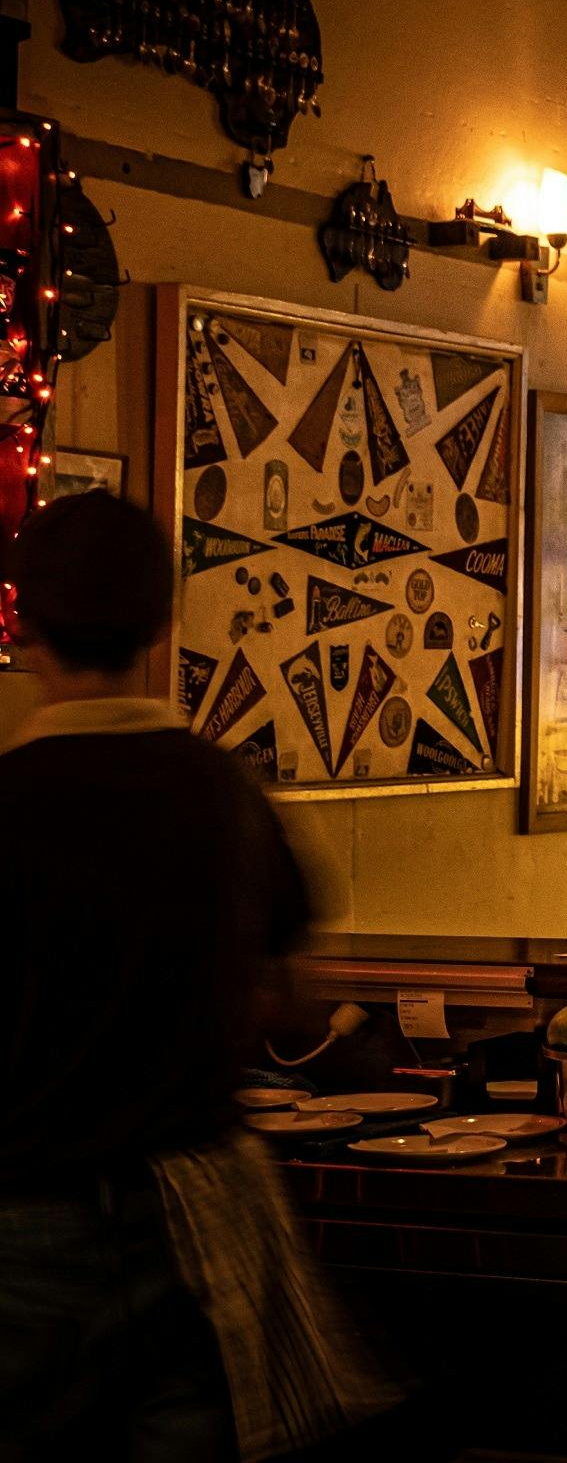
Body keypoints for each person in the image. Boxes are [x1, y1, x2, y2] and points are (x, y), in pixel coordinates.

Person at [0, 492, 390, 1459]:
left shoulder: (5, 805)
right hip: (197, 1232)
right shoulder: (225, 795)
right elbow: (283, 999)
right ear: (166, 622)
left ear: (22, 623)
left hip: (20, 1236)